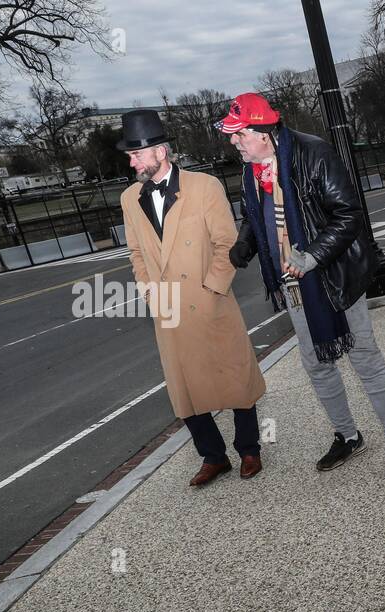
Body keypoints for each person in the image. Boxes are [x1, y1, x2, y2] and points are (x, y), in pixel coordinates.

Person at [216, 92, 385, 480]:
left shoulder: (314, 154)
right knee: (317, 363)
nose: (233, 142)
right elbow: (253, 213)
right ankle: (348, 435)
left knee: (364, 357)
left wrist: (312, 256)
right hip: (293, 283)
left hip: (333, 275)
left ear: (263, 131)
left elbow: (348, 214)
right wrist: (247, 240)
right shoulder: (251, 168)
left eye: (238, 134)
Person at [117, 109, 266, 487]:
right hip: (168, 307)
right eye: (131, 155)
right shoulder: (130, 198)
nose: (132, 161)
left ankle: (249, 449)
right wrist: (150, 293)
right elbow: (136, 253)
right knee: (184, 389)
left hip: (208, 301)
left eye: (137, 154)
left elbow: (225, 243)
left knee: (234, 377)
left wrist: (214, 287)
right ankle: (213, 457)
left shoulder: (204, 186)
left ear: (160, 152)